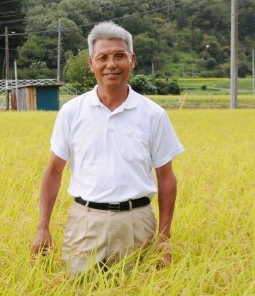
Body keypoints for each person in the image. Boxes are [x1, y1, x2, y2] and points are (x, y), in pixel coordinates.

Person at [32, 21, 184, 273]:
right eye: (102, 57)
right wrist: (42, 228)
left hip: (137, 223)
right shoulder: (72, 112)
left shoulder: (153, 114)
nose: (111, 64)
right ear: (91, 63)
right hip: (84, 222)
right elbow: (54, 171)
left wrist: (164, 239)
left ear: (132, 60)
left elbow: (166, 177)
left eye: (119, 56)